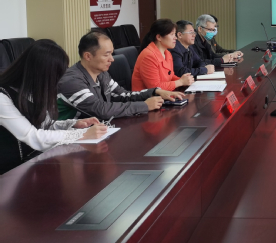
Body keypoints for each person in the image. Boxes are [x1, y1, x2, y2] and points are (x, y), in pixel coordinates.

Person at [0, 40, 107, 174]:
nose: (58, 82)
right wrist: (83, 134)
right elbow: (33, 136)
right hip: (9, 172)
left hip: (32, 163)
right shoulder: (2, 98)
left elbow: (44, 125)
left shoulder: (32, 90)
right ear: (41, 74)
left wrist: (72, 124)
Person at [57, 32, 184, 120]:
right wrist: (144, 106)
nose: (112, 59)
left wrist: (154, 92)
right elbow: (101, 110)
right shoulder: (72, 81)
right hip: (69, 140)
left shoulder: (102, 73)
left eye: (111, 54)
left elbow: (123, 95)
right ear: (88, 56)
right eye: (106, 55)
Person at [132, 19, 194, 92]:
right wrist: (180, 82)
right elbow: (155, 88)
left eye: (175, 34)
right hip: (149, 98)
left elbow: (170, 77)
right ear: (159, 37)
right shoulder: (148, 56)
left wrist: (184, 81)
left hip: (165, 95)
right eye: (172, 34)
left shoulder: (167, 53)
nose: (175, 38)